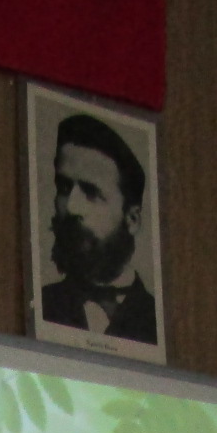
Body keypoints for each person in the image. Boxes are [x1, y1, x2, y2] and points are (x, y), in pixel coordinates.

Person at [41, 113, 157, 345]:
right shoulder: (43, 304)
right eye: (64, 188)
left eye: (91, 192)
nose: (71, 207)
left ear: (132, 219)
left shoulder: (154, 320)